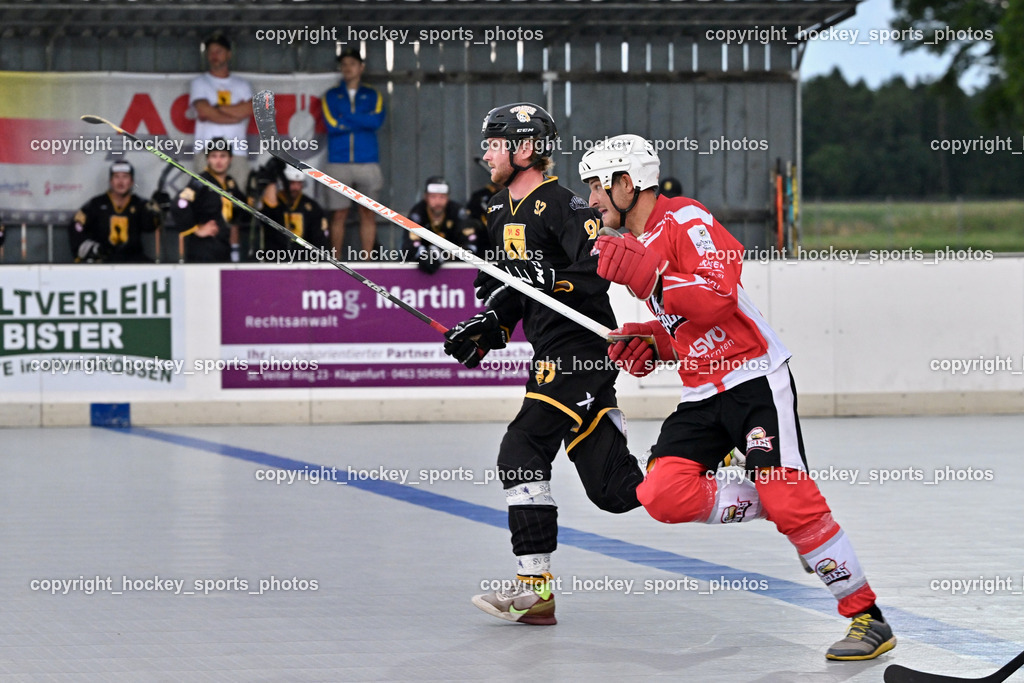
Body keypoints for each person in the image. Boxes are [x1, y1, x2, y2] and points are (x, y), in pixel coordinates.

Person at [579, 134, 896, 661]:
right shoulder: (638, 242)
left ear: (627, 183)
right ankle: (775, 505)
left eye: (596, 185)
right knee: (660, 494)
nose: (591, 199)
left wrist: (653, 275)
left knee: (790, 496)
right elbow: (686, 323)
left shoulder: (687, 219)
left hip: (753, 379)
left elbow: (719, 295)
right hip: (703, 392)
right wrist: (653, 340)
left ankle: (867, 617)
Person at [443, 104, 645, 626]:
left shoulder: (566, 205)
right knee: (617, 492)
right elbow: (513, 292)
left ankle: (535, 589)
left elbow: (595, 274)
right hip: (549, 351)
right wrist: (491, 325)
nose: (485, 153)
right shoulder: (494, 211)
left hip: (579, 351)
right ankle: (716, 464)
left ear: (525, 148)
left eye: (494, 143)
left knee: (522, 446)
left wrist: (545, 279)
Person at [322, 48, 386, 260]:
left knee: (368, 213)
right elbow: (332, 125)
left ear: (361, 67)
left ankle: (367, 261)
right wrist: (360, 119)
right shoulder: (330, 95)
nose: (348, 68)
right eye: (344, 64)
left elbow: (375, 121)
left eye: (352, 63)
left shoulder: (373, 94)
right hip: (338, 161)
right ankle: (336, 260)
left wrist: (346, 117)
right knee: (338, 214)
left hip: (367, 162)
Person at [189, 31, 253, 183]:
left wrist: (218, 107)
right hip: (206, 151)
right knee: (206, 201)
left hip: (237, 151)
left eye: (219, 51)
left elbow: (251, 110)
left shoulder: (242, 84)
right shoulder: (200, 82)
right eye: (210, 52)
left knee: (238, 200)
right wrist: (236, 113)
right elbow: (204, 111)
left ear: (229, 54)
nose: (214, 56)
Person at [68, 161, 160, 263]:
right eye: (116, 177)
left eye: (125, 177)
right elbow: (77, 225)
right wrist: (92, 249)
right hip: (103, 261)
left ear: (132, 181)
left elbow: (150, 226)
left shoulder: (140, 204)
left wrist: (157, 209)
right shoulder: (96, 204)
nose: (120, 182)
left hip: (134, 260)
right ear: (110, 181)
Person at [172, 138, 247, 263]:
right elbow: (180, 204)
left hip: (224, 249)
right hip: (203, 251)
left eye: (223, 156)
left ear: (230, 158)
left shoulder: (230, 183)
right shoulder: (200, 181)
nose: (218, 161)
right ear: (207, 159)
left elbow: (242, 212)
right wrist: (196, 230)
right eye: (214, 156)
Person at [404, 176, 472, 273]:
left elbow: (470, 245)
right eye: (433, 197)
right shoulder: (418, 213)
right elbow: (409, 245)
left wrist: (442, 254)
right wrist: (424, 255)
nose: (438, 201)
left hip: (456, 270)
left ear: (448, 198)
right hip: (420, 271)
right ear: (426, 197)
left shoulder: (457, 212)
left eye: (442, 197)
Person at [258, 165, 329, 255]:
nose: (295, 188)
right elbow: (269, 211)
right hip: (276, 258)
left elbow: (319, 239)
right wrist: (272, 180)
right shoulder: (275, 203)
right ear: (284, 183)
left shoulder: (312, 207)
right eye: (292, 183)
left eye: (299, 183)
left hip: (304, 260)